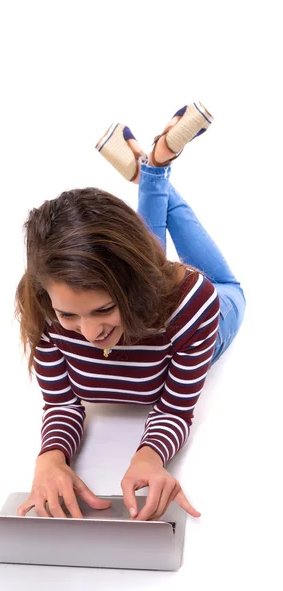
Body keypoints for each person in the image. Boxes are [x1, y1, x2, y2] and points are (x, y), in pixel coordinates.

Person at [14, 101, 246, 522]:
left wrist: (150, 455)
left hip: (213, 313)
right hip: (145, 284)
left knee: (224, 284)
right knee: (146, 255)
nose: (89, 333)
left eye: (103, 309)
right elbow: (63, 404)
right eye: (70, 316)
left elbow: (175, 407)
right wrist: (48, 459)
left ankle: (153, 172)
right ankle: (153, 169)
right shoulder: (44, 305)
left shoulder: (193, 303)